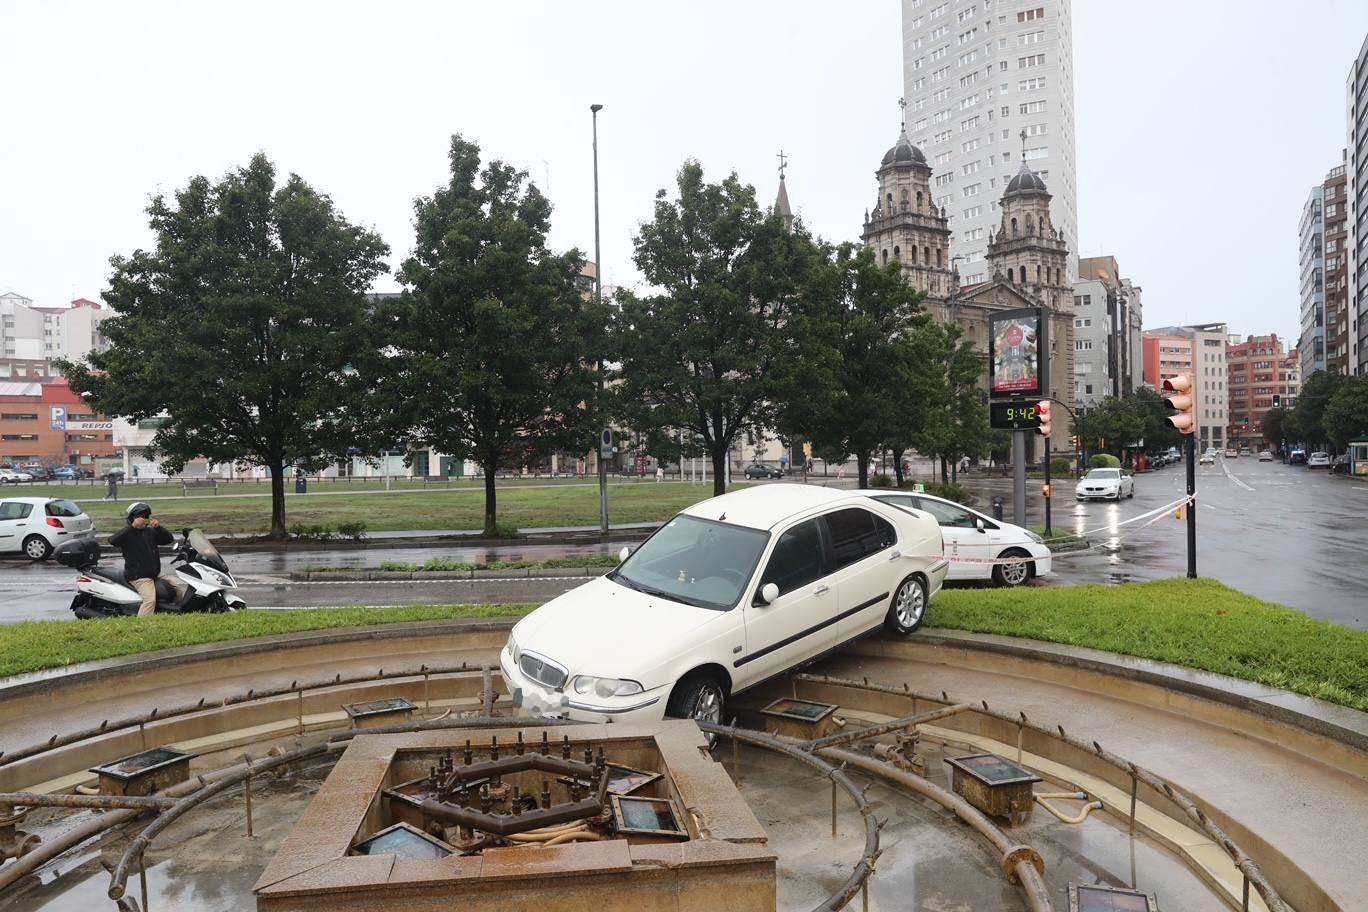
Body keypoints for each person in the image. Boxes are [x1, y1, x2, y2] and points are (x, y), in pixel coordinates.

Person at [108, 502, 187, 617]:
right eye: (138, 517)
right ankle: (142, 625)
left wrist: (159, 527)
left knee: (178, 589)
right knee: (150, 600)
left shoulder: (149, 532)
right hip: (139, 576)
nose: (142, 519)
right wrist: (132, 527)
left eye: (145, 517)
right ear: (131, 518)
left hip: (155, 573)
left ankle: (173, 615)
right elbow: (112, 541)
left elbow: (168, 539)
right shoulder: (128, 533)